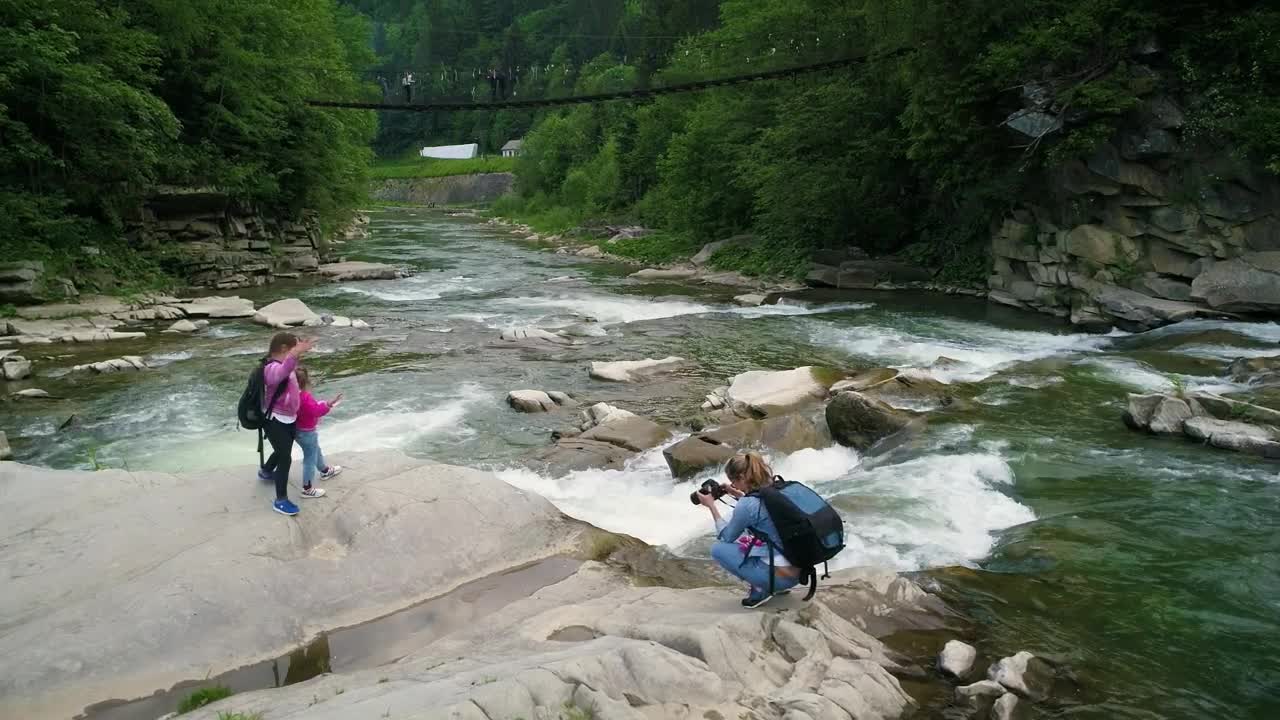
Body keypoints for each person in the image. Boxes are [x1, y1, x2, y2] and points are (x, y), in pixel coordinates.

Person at [697, 452, 800, 608]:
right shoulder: (779, 488)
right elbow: (761, 511)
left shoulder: (747, 504)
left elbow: (727, 537)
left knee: (718, 549)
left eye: (733, 481)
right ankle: (774, 582)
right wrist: (738, 494)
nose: (733, 485)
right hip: (799, 573)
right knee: (748, 536)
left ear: (742, 478)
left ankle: (762, 588)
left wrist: (711, 505)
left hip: (780, 579)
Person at [255, 332, 320, 515]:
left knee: (282, 449)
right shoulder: (271, 368)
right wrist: (294, 354)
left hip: (288, 418)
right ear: (284, 349)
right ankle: (280, 500)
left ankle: (267, 471)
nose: (296, 354)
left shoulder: (284, 364)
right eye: (293, 349)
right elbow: (279, 375)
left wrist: (296, 353)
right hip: (275, 419)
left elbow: (289, 374)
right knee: (285, 458)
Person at [295, 368, 344, 492]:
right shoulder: (305, 397)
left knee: (315, 449)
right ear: (305, 381)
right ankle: (307, 488)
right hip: (307, 432)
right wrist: (329, 404)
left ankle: (324, 470)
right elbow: (316, 411)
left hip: (297, 430)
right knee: (309, 459)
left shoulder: (290, 394)